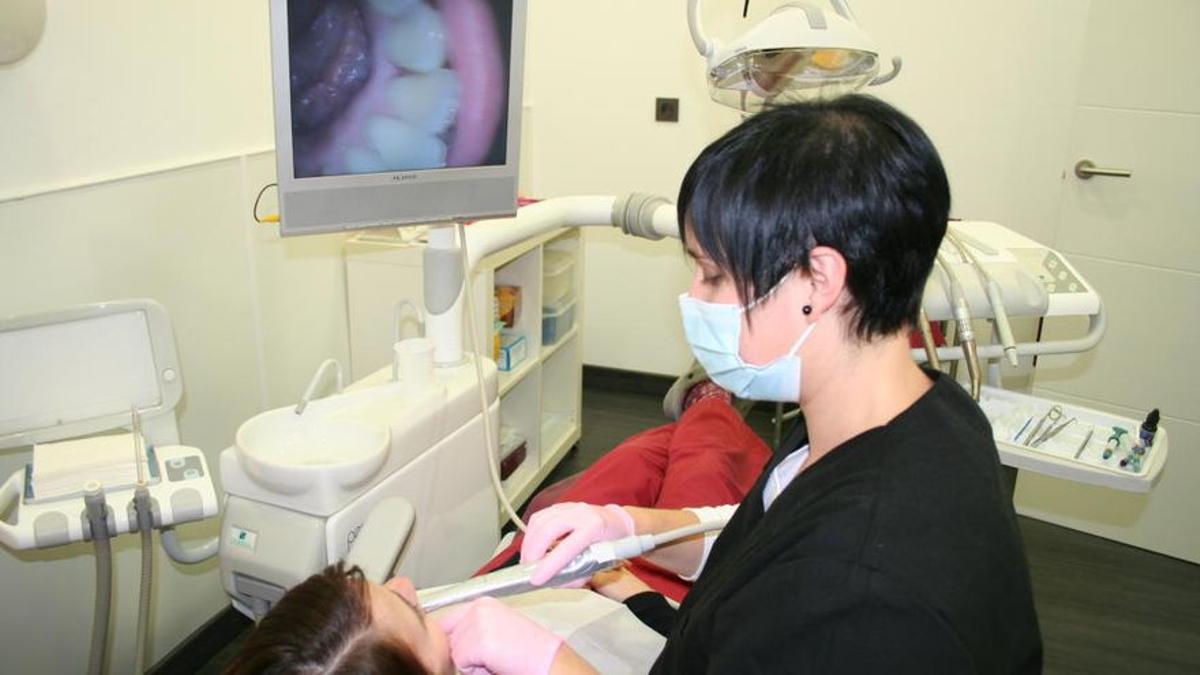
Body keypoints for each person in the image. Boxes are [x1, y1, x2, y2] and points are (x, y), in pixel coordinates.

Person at [440, 95, 1044, 674]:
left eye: (712, 273)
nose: (693, 299)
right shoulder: (921, 412)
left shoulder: (857, 602)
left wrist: (549, 664)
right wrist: (627, 529)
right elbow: (767, 542)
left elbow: (809, 572)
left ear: (818, 280)